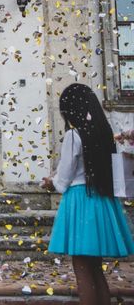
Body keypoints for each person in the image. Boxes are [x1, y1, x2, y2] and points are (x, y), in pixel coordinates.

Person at [41, 83, 134, 305]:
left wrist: (49, 183)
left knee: (82, 271)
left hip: (80, 201)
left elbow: (63, 179)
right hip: (101, 199)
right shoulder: (104, 133)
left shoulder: (74, 135)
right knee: (96, 270)